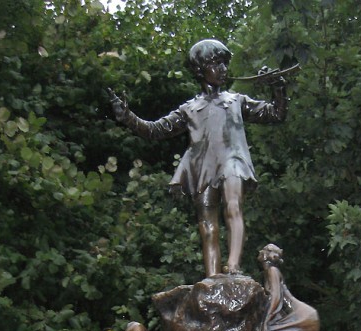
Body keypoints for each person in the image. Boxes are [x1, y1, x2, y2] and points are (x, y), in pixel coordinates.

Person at [109, 39, 287, 278]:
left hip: (233, 161)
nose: (223, 69)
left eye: (225, 63)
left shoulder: (236, 101)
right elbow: (154, 130)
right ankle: (212, 278)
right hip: (203, 167)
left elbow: (275, 113)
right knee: (207, 226)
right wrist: (128, 117)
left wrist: (278, 89)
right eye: (217, 64)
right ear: (200, 69)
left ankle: (233, 266)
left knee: (234, 206)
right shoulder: (189, 109)